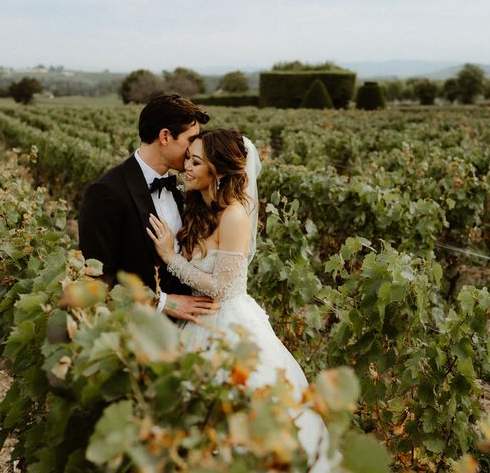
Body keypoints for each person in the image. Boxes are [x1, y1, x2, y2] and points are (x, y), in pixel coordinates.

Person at [146, 129, 335, 471]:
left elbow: (224, 287)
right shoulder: (196, 205)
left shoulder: (234, 215)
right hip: (193, 318)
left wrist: (170, 257)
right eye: (188, 158)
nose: (185, 167)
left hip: (226, 320)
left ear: (216, 172)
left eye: (196, 162)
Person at [78, 94, 218, 323]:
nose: (195, 148)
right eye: (190, 140)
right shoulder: (106, 192)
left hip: (190, 327)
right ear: (165, 136)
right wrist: (160, 302)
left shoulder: (184, 187)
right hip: (138, 330)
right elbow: (98, 276)